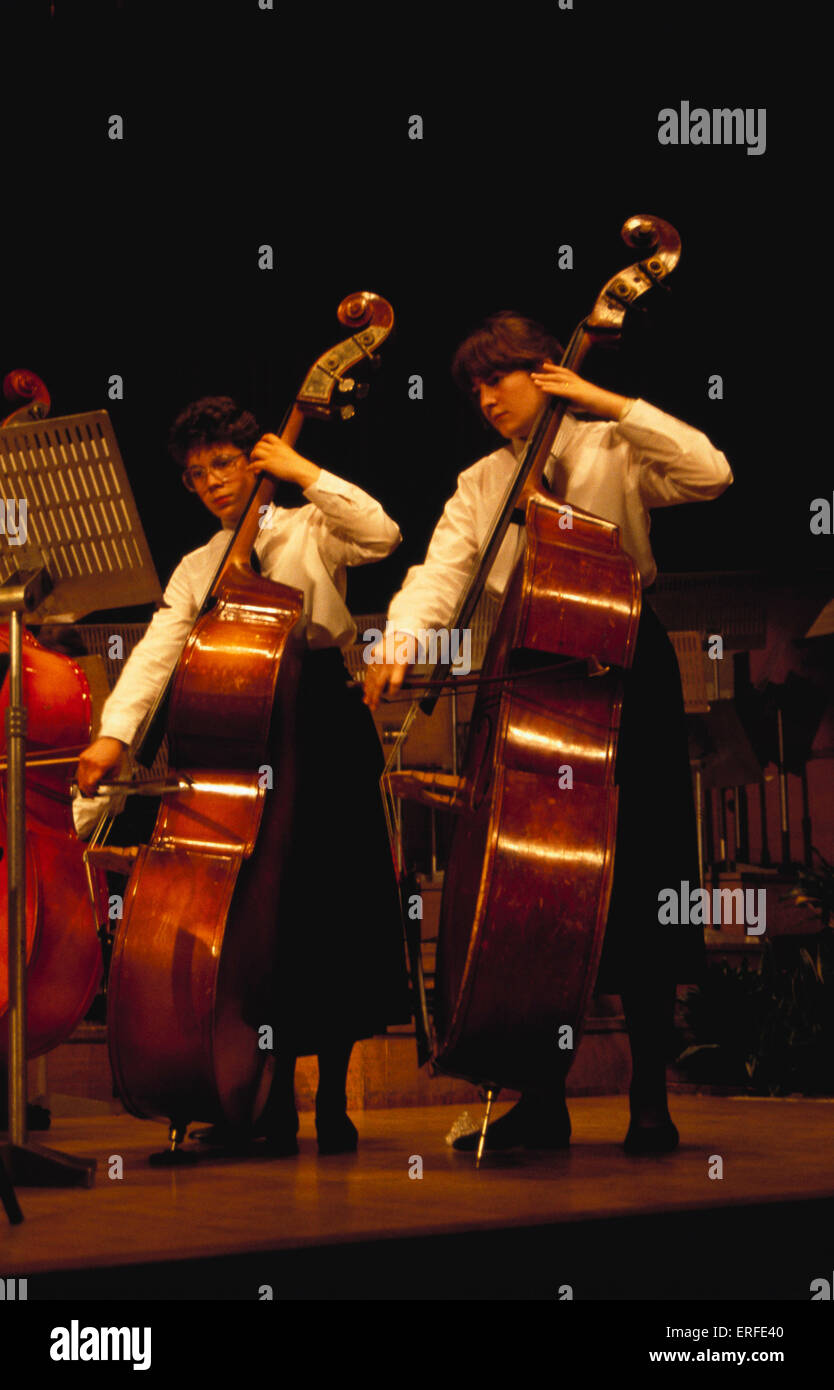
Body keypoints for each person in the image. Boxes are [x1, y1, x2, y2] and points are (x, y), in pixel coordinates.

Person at [364, 312, 733, 1154]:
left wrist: (608, 400)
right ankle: (541, 1095)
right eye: (474, 387)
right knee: (526, 894)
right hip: (525, 675)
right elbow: (441, 573)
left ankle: (649, 1095)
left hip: (621, 668)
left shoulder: (613, 448)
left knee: (637, 879)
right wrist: (399, 643)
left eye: (500, 377)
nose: (486, 397)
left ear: (546, 372)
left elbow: (711, 473)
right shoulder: (481, 484)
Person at [75, 396, 409, 1156]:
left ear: (253, 456)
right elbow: (161, 650)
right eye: (197, 474)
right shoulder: (200, 565)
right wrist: (114, 738)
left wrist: (305, 471)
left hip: (322, 716)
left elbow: (381, 534)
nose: (212, 482)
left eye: (224, 463)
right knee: (267, 919)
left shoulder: (307, 528)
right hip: (244, 738)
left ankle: (332, 1096)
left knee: (337, 905)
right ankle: (272, 1100)